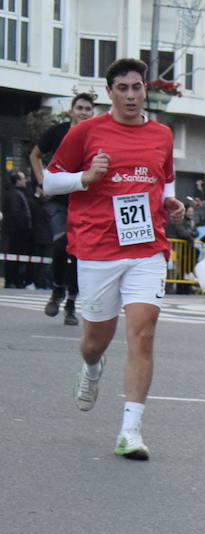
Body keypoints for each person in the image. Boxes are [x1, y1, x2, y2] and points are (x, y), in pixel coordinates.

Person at [43, 57, 185, 460]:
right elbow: (50, 181)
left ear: (145, 90)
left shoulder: (162, 134)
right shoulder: (85, 133)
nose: (130, 95)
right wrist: (84, 179)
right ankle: (91, 369)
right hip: (97, 248)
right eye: (121, 88)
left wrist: (169, 201)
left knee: (143, 331)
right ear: (109, 93)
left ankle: (130, 431)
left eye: (136, 87)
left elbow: (164, 180)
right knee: (94, 342)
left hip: (146, 248)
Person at [30, 92, 97, 322]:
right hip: (59, 202)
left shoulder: (96, 136)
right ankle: (58, 289)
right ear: (71, 110)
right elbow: (35, 154)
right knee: (60, 245)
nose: (84, 112)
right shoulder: (58, 132)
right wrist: (42, 182)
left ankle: (71, 302)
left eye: (88, 109)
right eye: (80, 108)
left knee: (79, 254)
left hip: (85, 203)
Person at [2, 170, 34, 289]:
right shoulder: (15, 194)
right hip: (17, 233)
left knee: (15, 257)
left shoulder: (16, 193)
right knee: (15, 257)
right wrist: (23, 230)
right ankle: (13, 280)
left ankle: (13, 280)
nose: (25, 180)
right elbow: (16, 214)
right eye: (23, 178)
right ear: (17, 181)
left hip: (17, 232)